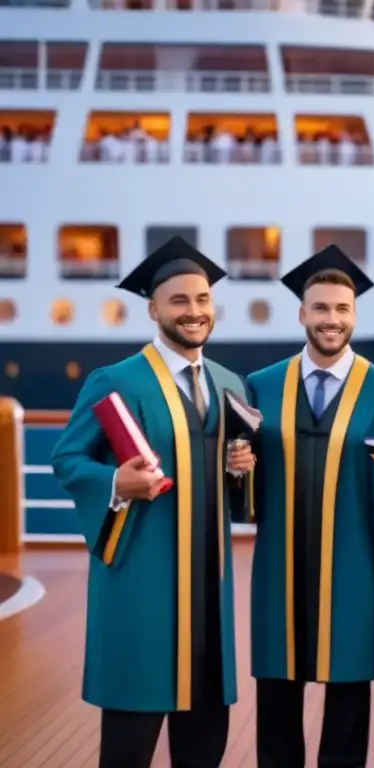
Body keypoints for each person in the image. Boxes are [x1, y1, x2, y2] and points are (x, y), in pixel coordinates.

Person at [50, 236, 256, 768]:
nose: (194, 312)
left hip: (209, 588)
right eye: (180, 301)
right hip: (143, 585)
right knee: (130, 742)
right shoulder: (117, 381)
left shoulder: (228, 383)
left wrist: (240, 472)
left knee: (204, 738)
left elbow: (236, 481)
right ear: (153, 308)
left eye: (203, 300)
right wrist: (116, 483)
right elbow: (68, 461)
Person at [245, 245, 374, 768]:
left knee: (347, 712)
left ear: (355, 315)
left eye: (342, 310)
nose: (331, 320)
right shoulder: (262, 386)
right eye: (320, 309)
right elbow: (244, 485)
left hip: (354, 568)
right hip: (280, 570)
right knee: (276, 705)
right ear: (301, 313)